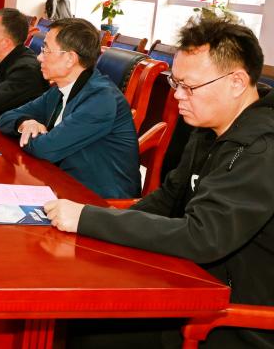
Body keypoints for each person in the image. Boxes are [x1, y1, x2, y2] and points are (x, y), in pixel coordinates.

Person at [46, 18, 274, 349]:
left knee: (90, 332)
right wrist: (96, 226)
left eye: (189, 86)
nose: (178, 95)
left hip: (233, 320)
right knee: (78, 309)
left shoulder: (262, 150)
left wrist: (89, 219)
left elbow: (203, 236)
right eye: (175, 82)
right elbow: (167, 199)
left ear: (237, 82)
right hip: (190, 284)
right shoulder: (209, 128)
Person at [0, 18, 139, 199]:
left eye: (46, 50)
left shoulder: (101, 99)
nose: (39, 57)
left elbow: (45, 149)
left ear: (70, 58)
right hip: (61, 184)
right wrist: (25, 123)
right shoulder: (59, 90)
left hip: (100, 202)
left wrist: (31, 136)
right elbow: (6, 117)